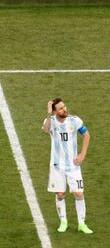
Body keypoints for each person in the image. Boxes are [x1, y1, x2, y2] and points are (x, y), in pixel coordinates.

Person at [42, 98, 93, 234]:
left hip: (73, 166)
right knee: (60, 194)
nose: (64, 109)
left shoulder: (74, 120)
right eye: (60, 108)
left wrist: (82, 154)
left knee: (79, 193)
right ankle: (63, 221)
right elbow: (45, 130)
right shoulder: (51, 122)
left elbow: (87, 135)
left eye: (64, 107)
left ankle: (81, 224)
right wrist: (48, 114)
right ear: (54, 111)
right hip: (57, 166)